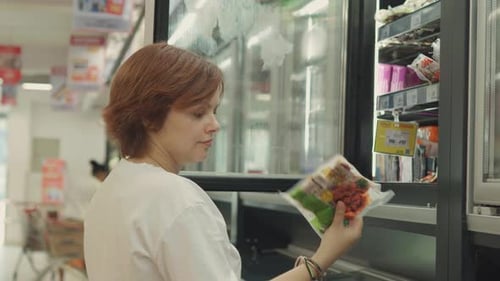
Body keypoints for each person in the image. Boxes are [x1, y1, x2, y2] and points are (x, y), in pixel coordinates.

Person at [84, 42, 363, 281]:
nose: (214, 125)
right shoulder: (174, 197)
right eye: (198, 113)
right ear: (148, 116)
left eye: (214, 111)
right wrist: (323, 258)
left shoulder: (115, 185)